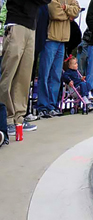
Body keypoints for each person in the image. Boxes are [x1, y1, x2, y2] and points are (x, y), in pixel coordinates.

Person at [2, 0, 51, 134]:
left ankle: (19, 118)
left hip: (31, 26)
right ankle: (6, 118)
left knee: (23, 77)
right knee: (9, 74)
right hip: (16, 24)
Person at [34, 0, 79, 118]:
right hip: (50, 39)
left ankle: (52, 106)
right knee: (45, 74)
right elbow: (54, 13)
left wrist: (65, 8)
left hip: (63, 41)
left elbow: (76, 11)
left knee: (56, 75)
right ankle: (42, 106)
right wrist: (69, 13)